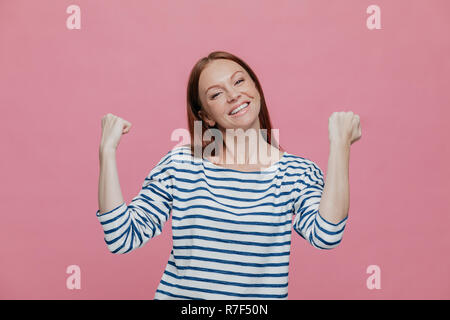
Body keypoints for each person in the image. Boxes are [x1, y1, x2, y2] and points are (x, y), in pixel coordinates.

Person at [96, 51, 362, 300]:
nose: (234, 95)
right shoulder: (181, 165)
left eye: (239, 81)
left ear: (256, 88)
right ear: (206, 116)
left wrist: (340, 146)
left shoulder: (296, 174)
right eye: (216, 94)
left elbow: (326, 234)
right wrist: (107, 151)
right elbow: (122, 237)